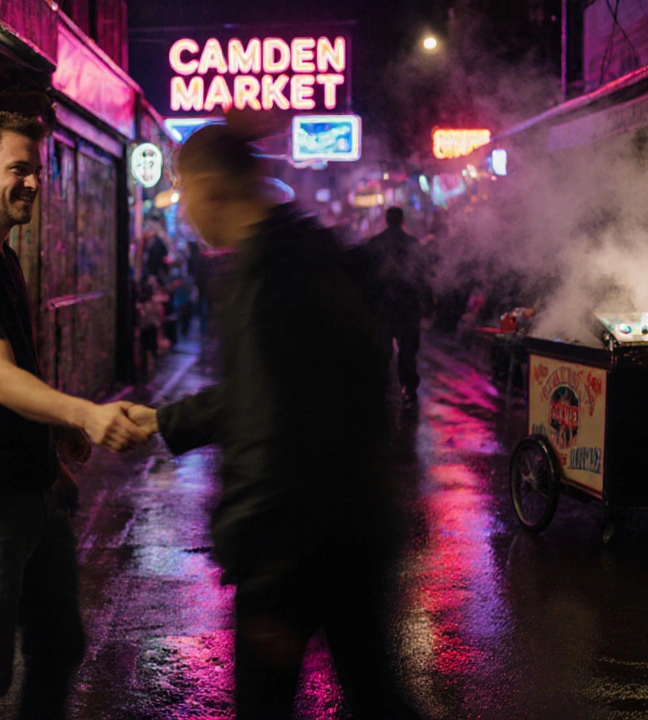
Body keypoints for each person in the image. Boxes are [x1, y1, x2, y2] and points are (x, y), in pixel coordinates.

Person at [126, 123, 420, 720]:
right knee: (377, 696)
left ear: (210, 189)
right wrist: (165, 420)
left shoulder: (269, 278)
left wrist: (262, 574)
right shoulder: (305, 252)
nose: (182, 209)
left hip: (297, 552)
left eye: (183, 192)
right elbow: (263, 394)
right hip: (350, 531)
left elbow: (273, 431)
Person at [0, 111, 150, 720]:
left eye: (36, 171)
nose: (33, 183)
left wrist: (53, 443)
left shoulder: (1, 258)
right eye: (18, 169)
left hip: (31, 495)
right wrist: (88, 415)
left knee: (60, 646)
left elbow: (15, 373)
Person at [365, 206, 430, 405]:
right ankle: (408, 388)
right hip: (407, 304)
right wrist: (426, 301)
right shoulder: (412, 244)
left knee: (382, 349)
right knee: (408, 350)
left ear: (386, 220)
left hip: (383, 305)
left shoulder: (375, 243)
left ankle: (379, 389)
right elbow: (421, 275)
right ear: (402, 220)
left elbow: (368, 276)